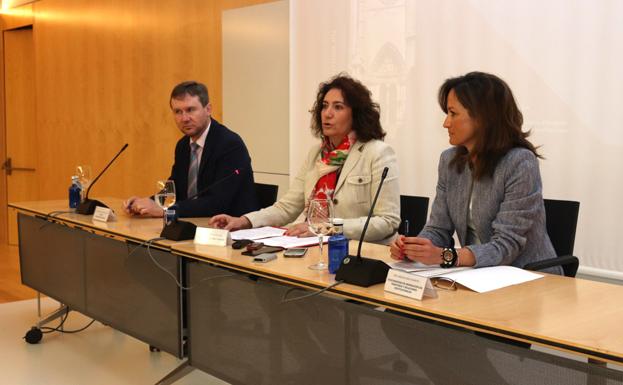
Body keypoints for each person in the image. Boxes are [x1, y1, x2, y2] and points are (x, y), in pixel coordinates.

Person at [390, 71, 561, 274]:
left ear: (482, 118)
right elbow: (438, 228)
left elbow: (506, 246)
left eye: (453, 113)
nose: (446, 123)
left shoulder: (520, 162)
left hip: (527, 276)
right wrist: (414, 248)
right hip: (474, 275)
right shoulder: (449, 161)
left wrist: (445, 256)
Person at [210, 74, 400, 242]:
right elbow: (287, 207)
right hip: (316, 247)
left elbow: (387, 222)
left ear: (356, 114)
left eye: (338, 107)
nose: (328, 113)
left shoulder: (378, 153)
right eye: (324, 106)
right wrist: (244, 221)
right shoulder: (317, 154)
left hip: (361, 254)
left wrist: (326, 227)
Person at [123, 81, 259, 218]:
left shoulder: (229, 144)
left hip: (232, 229)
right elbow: (175, 189)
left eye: (190, 110)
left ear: (208, 109)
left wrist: (166, 211)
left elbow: (217, 203)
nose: (184, 118)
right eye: (178, 112)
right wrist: (146, 203)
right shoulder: (183, 145)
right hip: (197, 224)